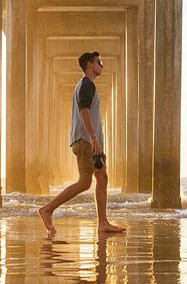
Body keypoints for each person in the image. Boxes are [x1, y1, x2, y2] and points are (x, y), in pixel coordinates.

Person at [38, 51, 127, 239]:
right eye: (99, 62)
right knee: (85, 182)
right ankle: (47, 209)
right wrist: (93, 138)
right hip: (86, 141)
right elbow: (84, 111)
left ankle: (103, 223)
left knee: (102, 177)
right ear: (89, 65)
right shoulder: (86, 84)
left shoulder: (87, 85)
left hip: (89, 141)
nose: (102, 65)